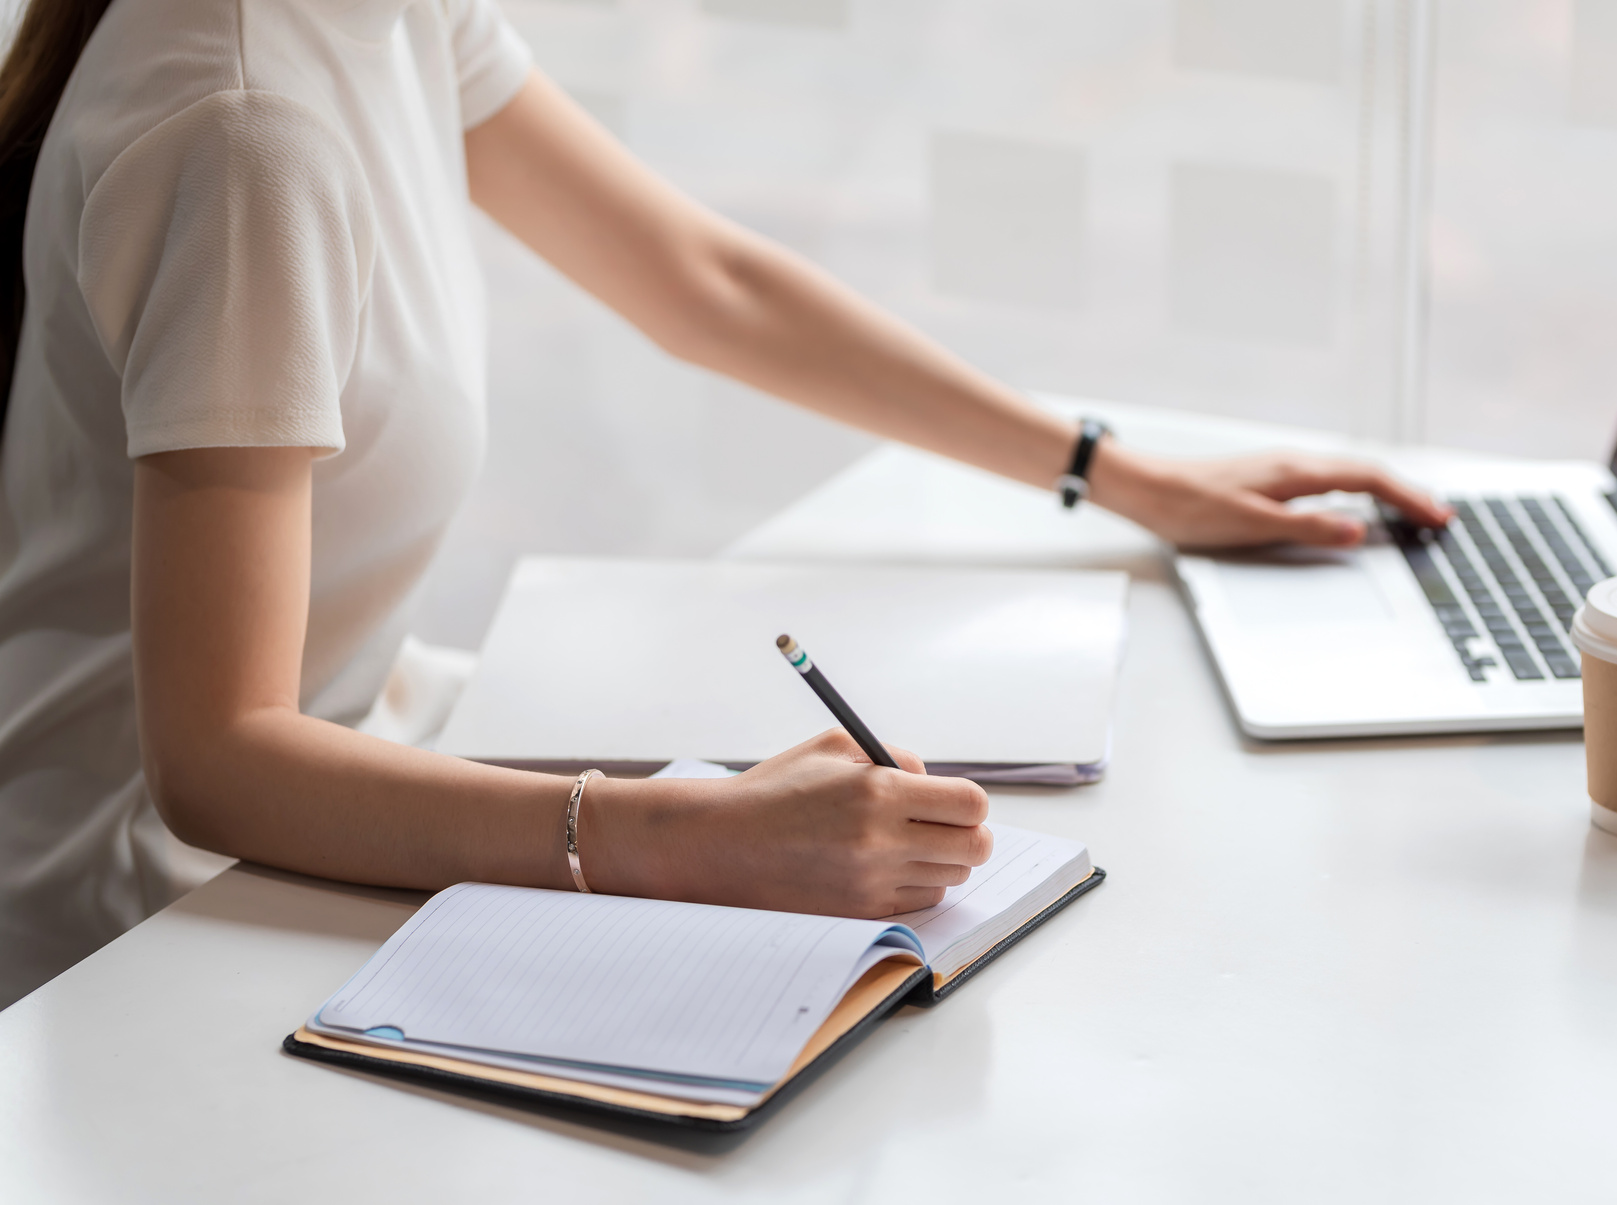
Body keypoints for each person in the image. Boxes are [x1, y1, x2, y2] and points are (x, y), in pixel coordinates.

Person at [0, 0, 1450, 1008]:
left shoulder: (379, 19)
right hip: (150, 919)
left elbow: (702, 284)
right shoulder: (249, 127)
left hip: (339, 799)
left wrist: (1116, 469)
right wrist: (691, 840)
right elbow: (218, 760)